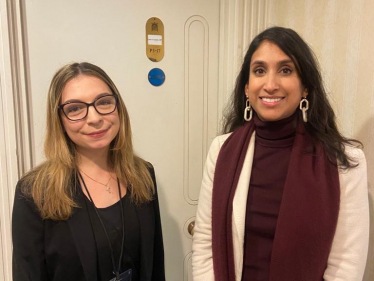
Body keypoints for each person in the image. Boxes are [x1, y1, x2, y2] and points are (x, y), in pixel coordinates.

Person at [192, 27, 369, 281]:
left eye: (285, 70)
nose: (270, 85)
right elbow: (205, 245)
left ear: (305, 87)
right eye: (259, 71)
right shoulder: (221, 151)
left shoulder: (345, 163)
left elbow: (346, 267)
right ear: (246, 87)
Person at [12, 62, 165, 281]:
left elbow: (155, 264)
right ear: (60, 120)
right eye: (75, 108)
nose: (94, 118)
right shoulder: (34, 192)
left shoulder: (142, 174)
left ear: (118, 107)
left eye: (103, 102)